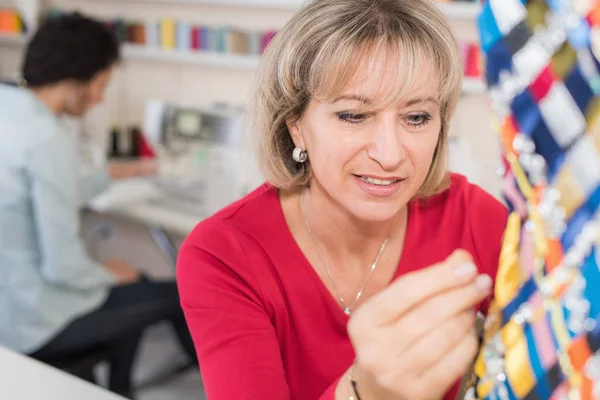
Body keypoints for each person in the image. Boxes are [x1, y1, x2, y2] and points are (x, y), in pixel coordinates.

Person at [176, 0, 509, 399]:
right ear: (296, 125)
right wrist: (363, 391)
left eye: (417, 117)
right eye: (353, 116)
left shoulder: (474, 218)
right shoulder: (224, 254)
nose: (390, 154)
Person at [0, 13, 195, 399]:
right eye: (101, 86)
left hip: (7, 307)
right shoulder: (46, 140)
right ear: (75, 83)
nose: (101, 98)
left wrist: (118, 172)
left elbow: (52, 188)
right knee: (182, 293)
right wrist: (108, 273)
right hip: (35, 323)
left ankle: (120, 387)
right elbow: (62, 266)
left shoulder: (11, 110)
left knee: (134, 288)